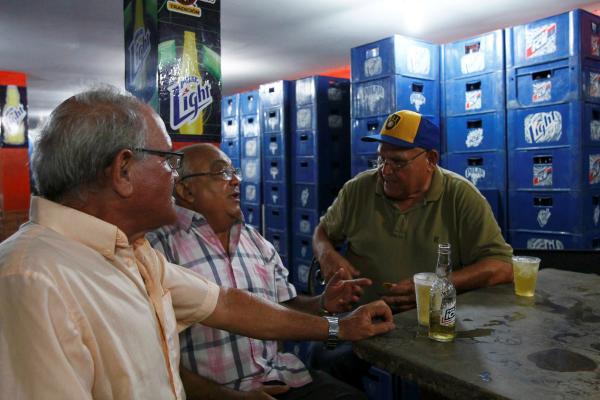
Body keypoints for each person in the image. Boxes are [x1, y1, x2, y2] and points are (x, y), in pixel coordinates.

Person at [0, 87, 395, 400]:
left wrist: (338, 327)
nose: (174, 176)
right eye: (167, 161)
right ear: (123, 171)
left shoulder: (132, 253)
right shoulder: (31, 279)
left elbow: (226, 304)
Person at [148, 143, 371, 399]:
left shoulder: (255, 240)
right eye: (222, 173)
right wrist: (230, 398)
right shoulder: (159, 248)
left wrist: (322, 303)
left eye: (235, 172)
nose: (236, 181)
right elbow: (158, 358)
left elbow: (283, 307)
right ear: (186, 190)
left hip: (279, 377)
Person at [313, 109, 514, 310]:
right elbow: (322, 233)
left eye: (398, 162)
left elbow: (502, 266)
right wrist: (326, 255)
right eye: (382, 159)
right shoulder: (357, 189)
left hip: (432, 322)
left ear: (431, 160)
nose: (385, 170)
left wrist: (438, 286)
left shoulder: (460, 197)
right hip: (357, 321)